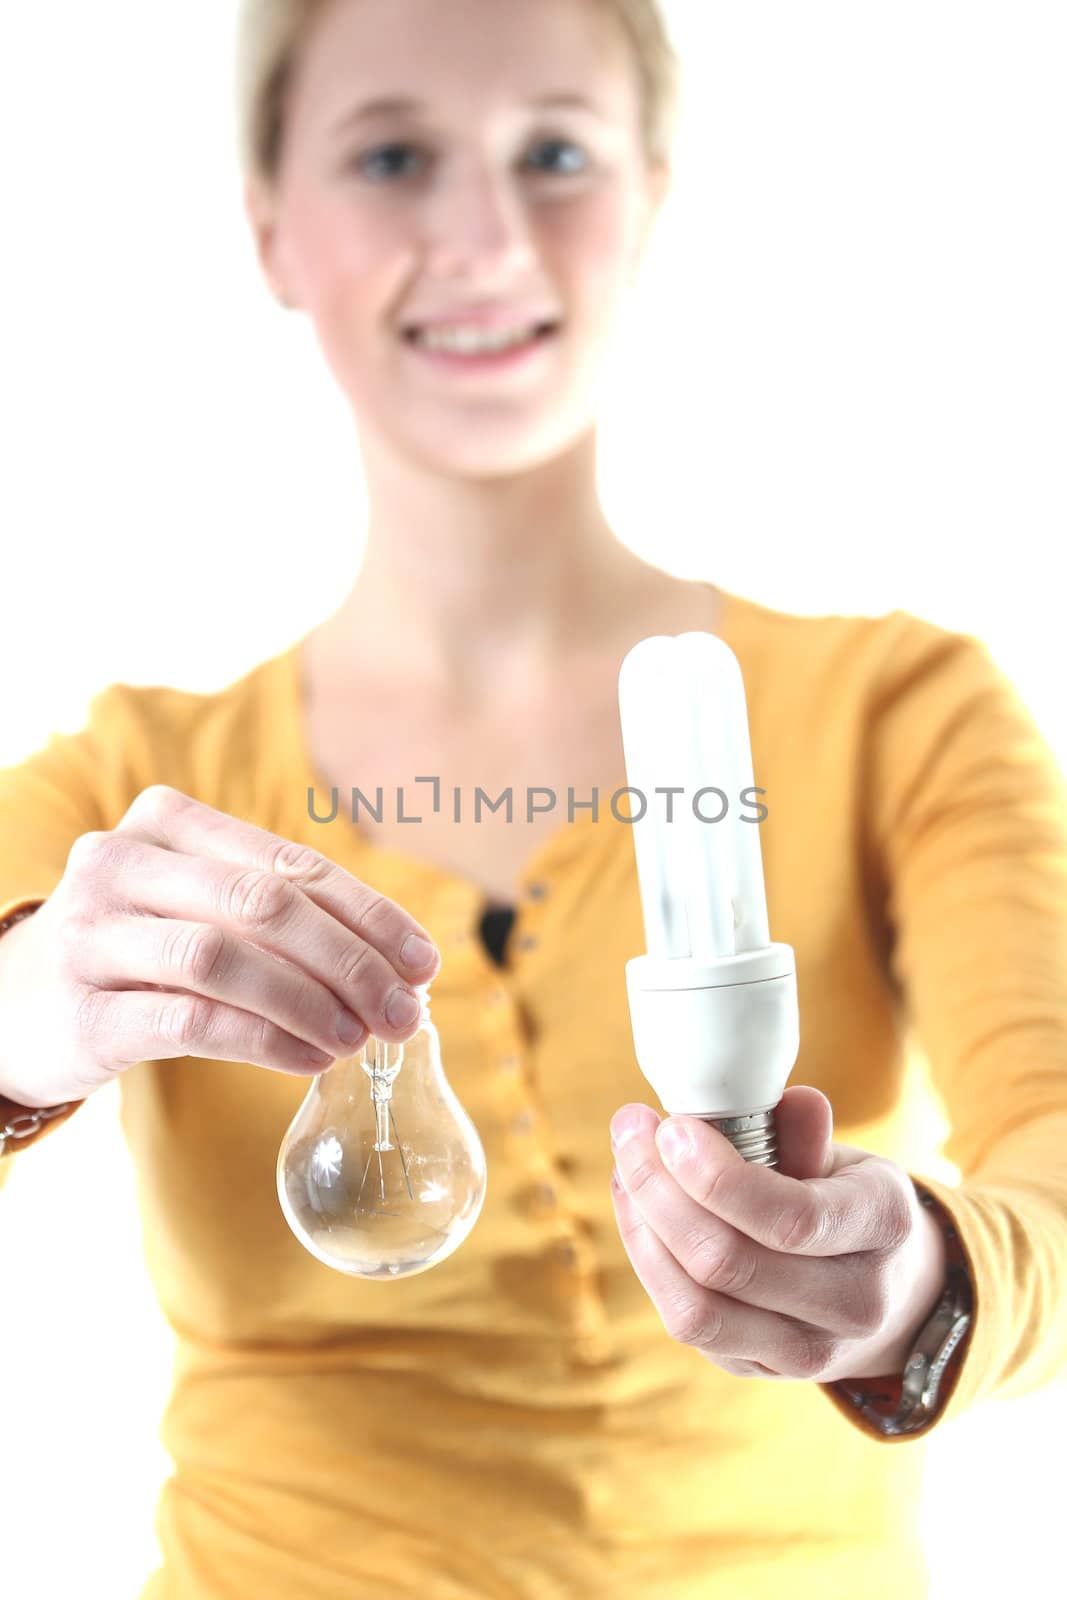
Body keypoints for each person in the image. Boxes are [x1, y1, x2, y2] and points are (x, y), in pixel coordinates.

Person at [2, 1, 1066, 1595]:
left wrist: (922, 1279)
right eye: (393, 156)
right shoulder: (129, 786)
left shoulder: (898, 711)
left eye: (554, 154)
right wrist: (22, 1018)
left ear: (650, 197)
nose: (486, 237)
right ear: (273, 229)